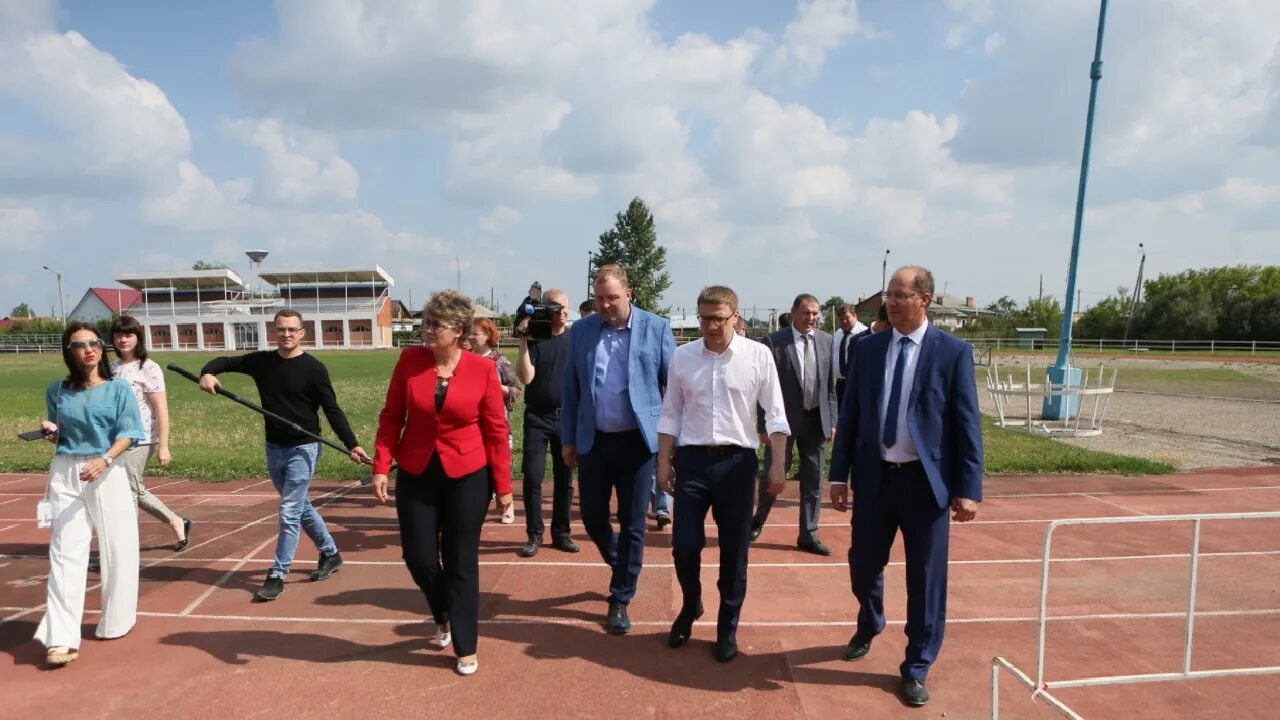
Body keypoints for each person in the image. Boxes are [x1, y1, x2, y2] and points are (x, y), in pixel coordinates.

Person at [828, 266, 983, 708]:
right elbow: (851, 415)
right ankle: (871, 618)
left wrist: (968, 487)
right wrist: (839, 476)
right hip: (876, 480)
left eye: (899, 295)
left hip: (925, 486)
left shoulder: (952, 352)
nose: (890, 303)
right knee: (862, 563)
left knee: (926, 580)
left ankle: (916, 664)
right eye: (888, 296)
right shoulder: (869, 348)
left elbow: (966, 424)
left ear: (925, 299)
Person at [370, 290, 513, 676]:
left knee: (460, 560)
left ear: (459, 331)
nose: (426, 330)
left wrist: (504, 489)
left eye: (435, 324)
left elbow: (496, 431)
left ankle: (465, 645)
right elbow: (391, 416)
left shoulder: (483, 370)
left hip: (468, 474)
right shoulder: (409, 361)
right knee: (417, 557)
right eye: (425, 322)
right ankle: (443, 611)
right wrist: (381, 466)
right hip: (417, 471)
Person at [199, 309, 371, 602]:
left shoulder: (314, 369)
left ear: (302, 333)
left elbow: (332, 409)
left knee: (289, 511)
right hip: (274, 447)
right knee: (300, 506)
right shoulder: (262, 362)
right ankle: (330, 553)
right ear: (274, 331)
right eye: (281, 329)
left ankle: (277, 573)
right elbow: (224, 362)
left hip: (304, 447)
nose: (287, 334)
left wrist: (351, 443)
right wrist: (207, 373)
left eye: (292, 329)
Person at [657, 286, 789, 663]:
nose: (711, 325)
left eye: (718, 318)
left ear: (735, 315)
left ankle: (727, 626)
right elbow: (670, 413)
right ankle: (691, 604)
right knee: (683, 545)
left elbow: (775, 414)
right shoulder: (683, 357)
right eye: (704, 318)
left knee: (735, 552)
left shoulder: (757, 356)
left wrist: (776, 464)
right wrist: (663, 461)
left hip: (737, 464)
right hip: (693, 461)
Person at [562, 263, 675, 634]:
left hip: (638, 442)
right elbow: (572, 389)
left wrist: (670, 444)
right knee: (593, 518)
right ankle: (623, 563)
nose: (606, 305)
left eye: (612, 297)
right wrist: (568, 439)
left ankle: (621, 597)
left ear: (629, 294)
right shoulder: (580, 331)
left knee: (632, 521)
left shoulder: (656, 328)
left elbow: (672, 390)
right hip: (593, 440)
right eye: (599, 299)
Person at [35, 323, 145, 668]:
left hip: (107, 471)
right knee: (64, 554)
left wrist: (105, 459)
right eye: (79, 344)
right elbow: (62, 432)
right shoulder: (57, 391)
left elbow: (130, 432)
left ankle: (116, 620)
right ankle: (61, 638)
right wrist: (51, 432)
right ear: (69, 351)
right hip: (66, 472)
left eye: (94, 342)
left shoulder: (118, 389)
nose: (88, 349)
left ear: (102, 348)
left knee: (119, 548)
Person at [750, 294, 838, 555]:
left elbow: (830, 388)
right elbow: (761, 387)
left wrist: (833, 419)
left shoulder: (827, 341)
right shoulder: (774, 342)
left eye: (815, 313)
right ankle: (758, 519)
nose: (812, 318)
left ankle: (808, 534)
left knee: (813, 479)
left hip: (816, 419)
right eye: (807, 313)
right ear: (794, 313)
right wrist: (763, 425)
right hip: (782, 422)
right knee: (774, 474)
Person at [110, 315, 190, 550]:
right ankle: (177, 522)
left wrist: (163, 445)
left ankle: (125, 550)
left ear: (138, 338)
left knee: (129, 492)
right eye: (118, 335)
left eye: (128, 335)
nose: (123, 340)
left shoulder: (148, 368)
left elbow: (161, 408)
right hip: (116, 439)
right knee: (132, 489)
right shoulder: (111, 368)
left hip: (141, 437)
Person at [513, 288, 579, 557]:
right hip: (538, 416)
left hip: (568, 416)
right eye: (555, 307)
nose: (560, 312)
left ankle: (562, 533)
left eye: (564, 307)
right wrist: (523, 340)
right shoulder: (537, 337)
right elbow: (526, 378)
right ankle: (534, 534)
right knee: (532, 476)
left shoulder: (576, 339)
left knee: (565, 478)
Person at [469, 317, 520, 525]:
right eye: (469, 334)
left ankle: (507, 506)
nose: (471, 338)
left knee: (501, 464)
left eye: (476, 334)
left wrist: (495, 387)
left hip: (496, 422)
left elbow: (516, 390)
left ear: (488, 335)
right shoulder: (464, 359)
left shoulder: (500, 361)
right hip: (471, 423)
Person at [832, 305, 867, 410]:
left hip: (857, 383)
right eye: (841, 319)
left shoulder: (864, 333)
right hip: (840, 383)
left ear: (855, 316)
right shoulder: (838, 333)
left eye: (847, 318)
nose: (844, 321)